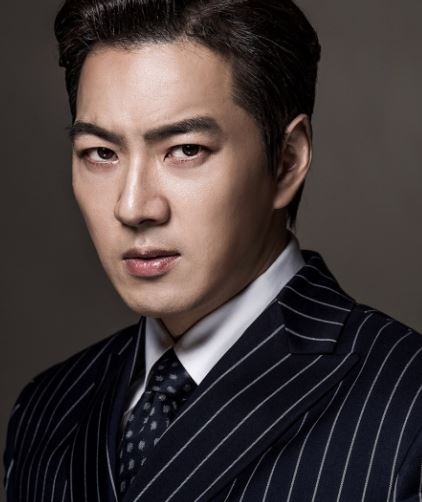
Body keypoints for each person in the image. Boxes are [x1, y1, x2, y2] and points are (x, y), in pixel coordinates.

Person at [3, 0, 422, 500]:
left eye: (185, 150)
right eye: (101, 153)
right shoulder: (46, 409)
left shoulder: (406, 404)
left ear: (287, 161)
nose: (133, 207)